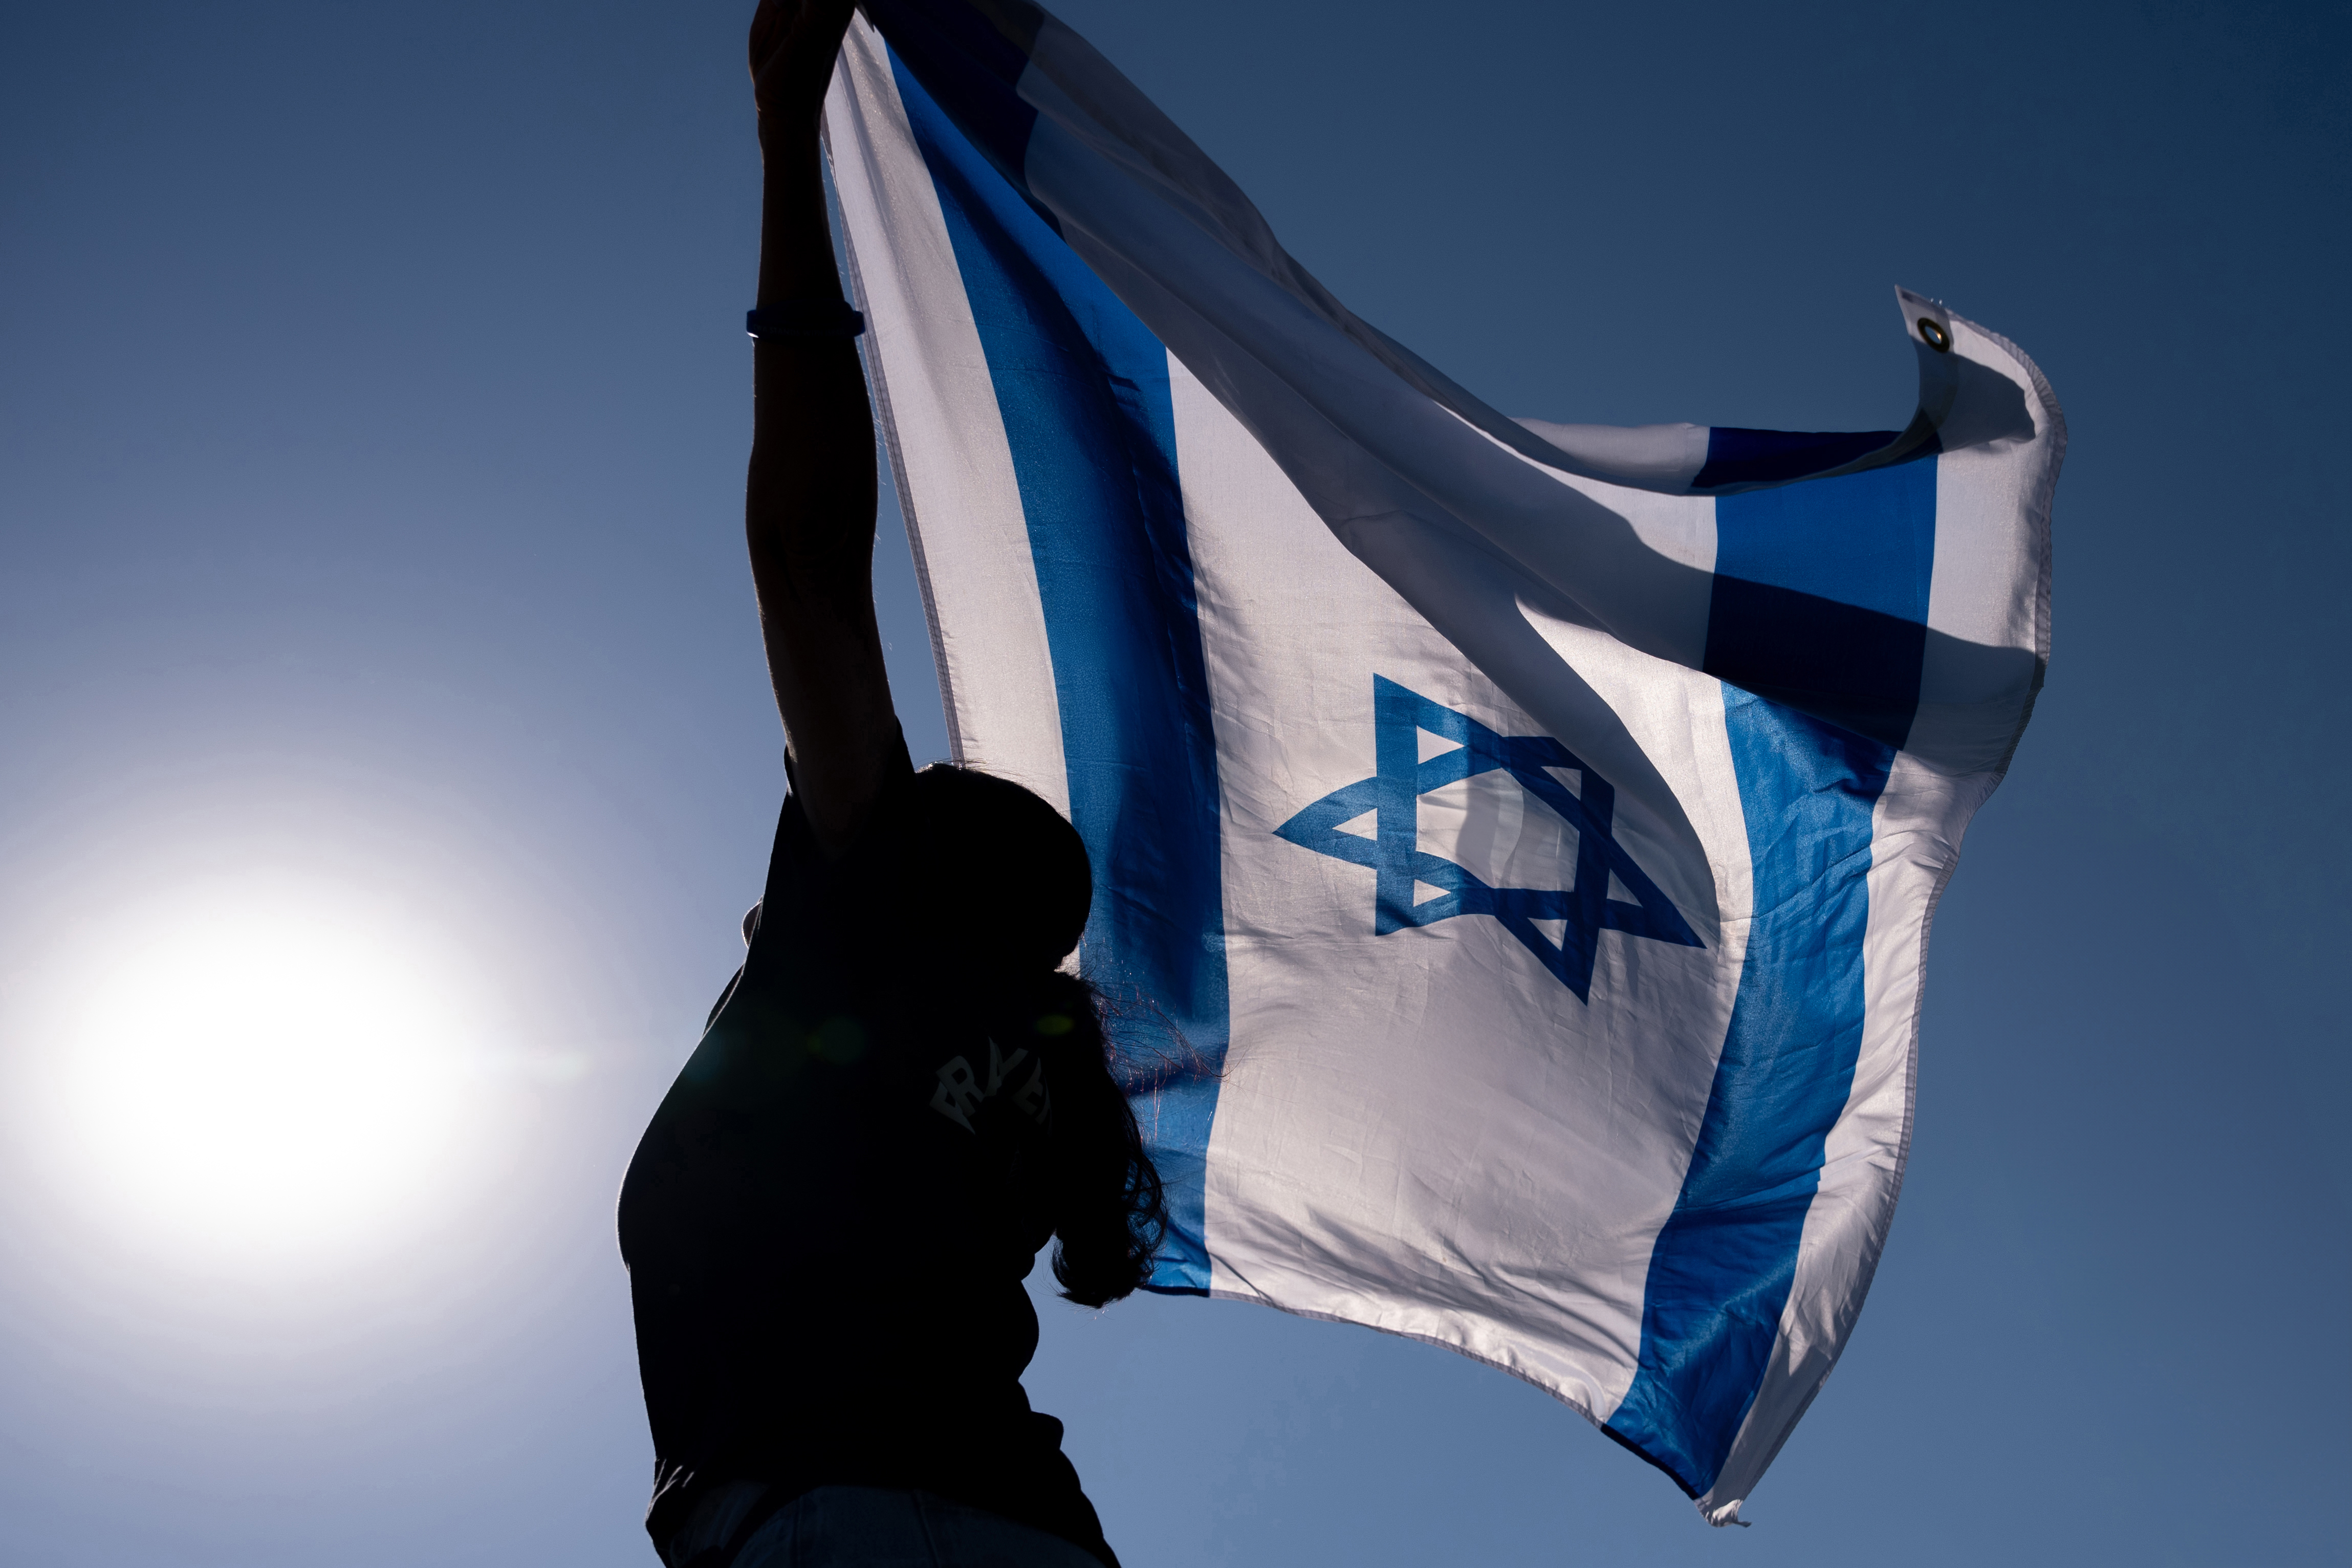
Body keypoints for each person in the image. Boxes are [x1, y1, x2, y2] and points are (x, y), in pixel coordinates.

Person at [616, 3, 1167, 1564]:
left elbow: (804, 559)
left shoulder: (872, 933)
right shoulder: (1034, 1080)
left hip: (852, 1528)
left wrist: (787, 149)